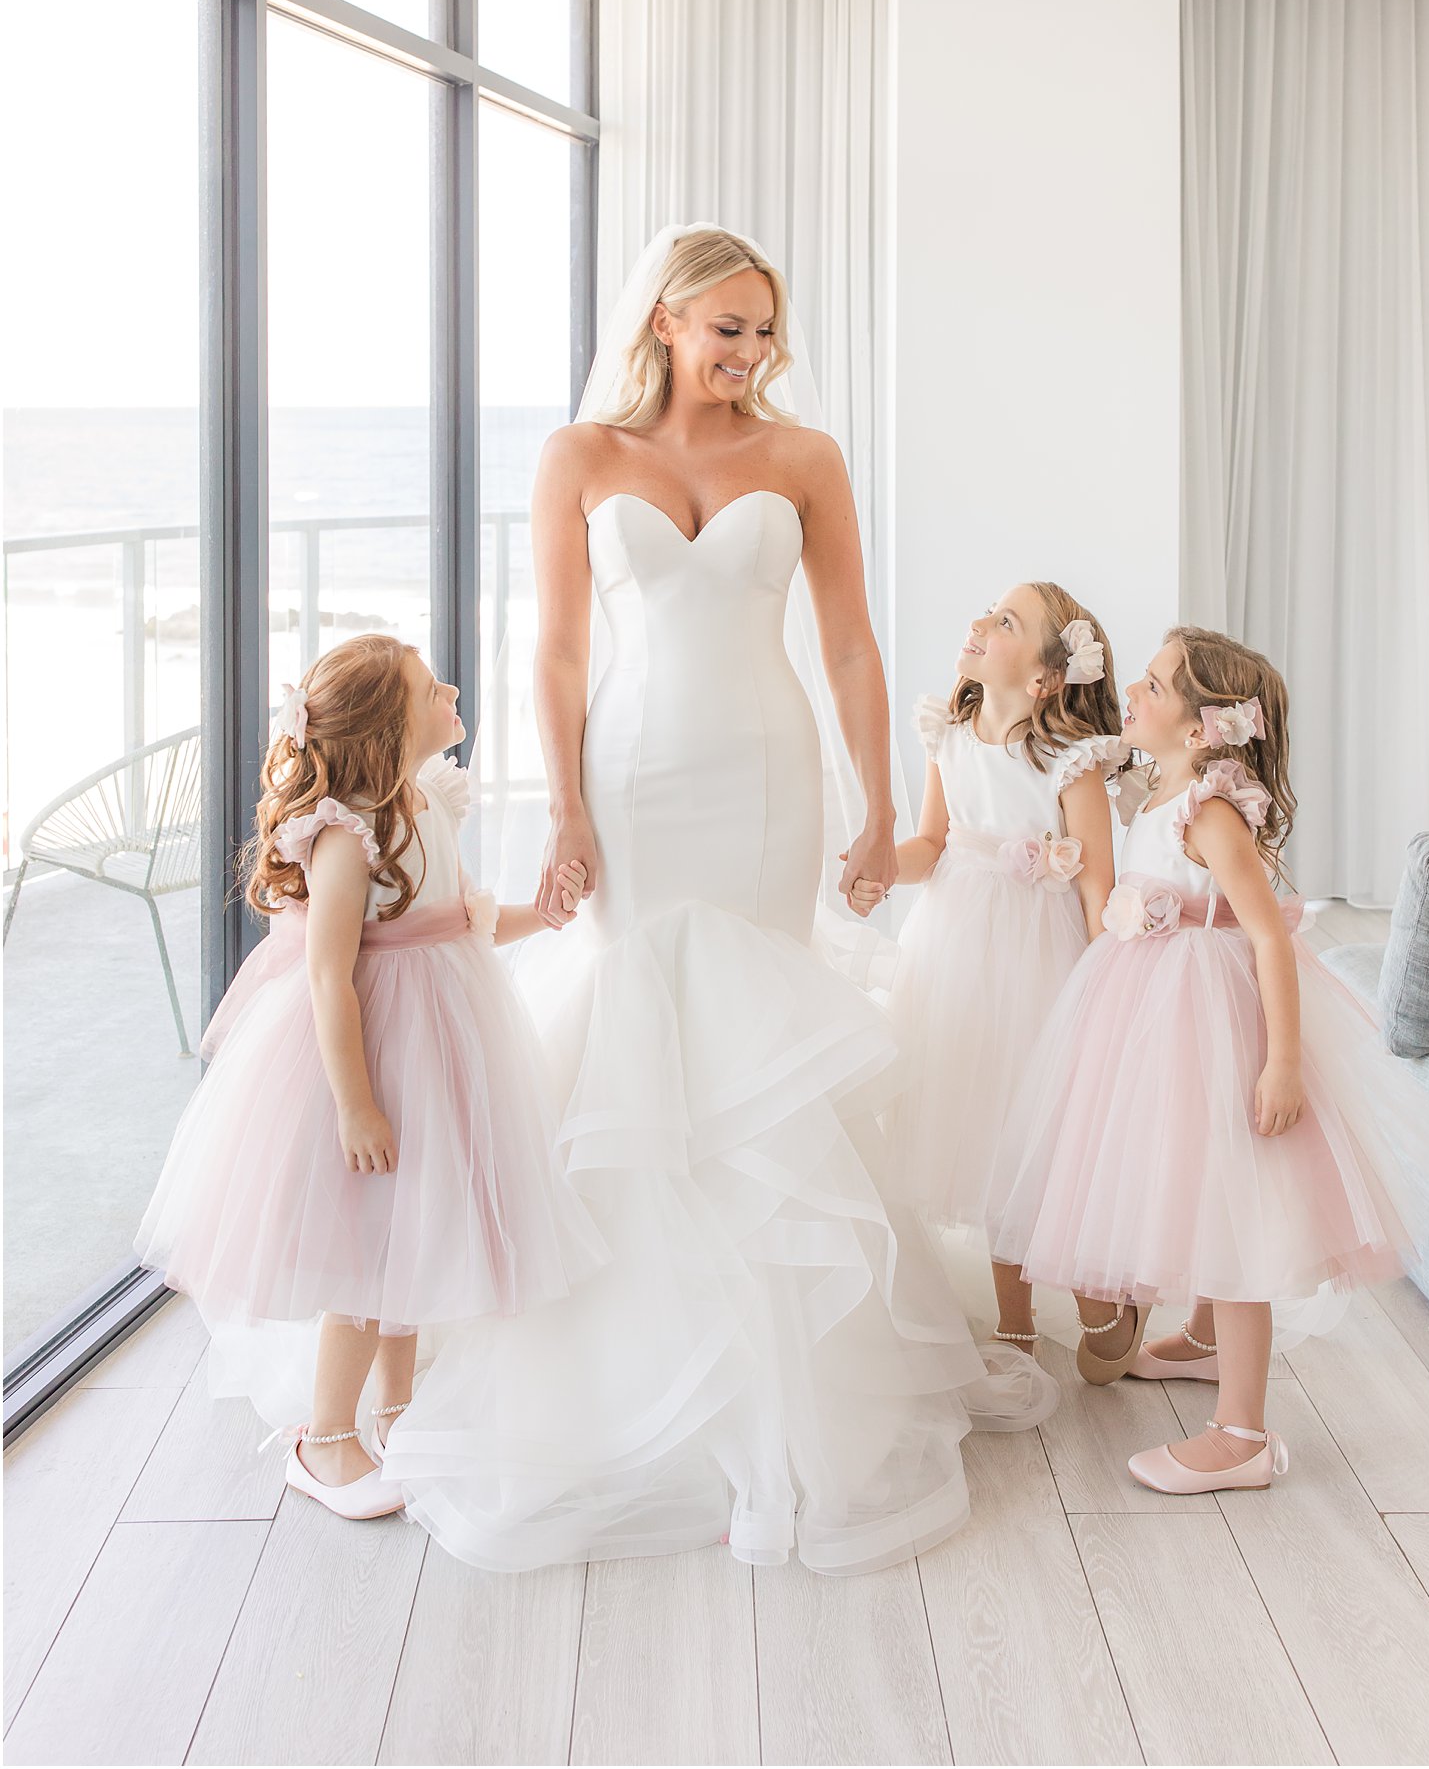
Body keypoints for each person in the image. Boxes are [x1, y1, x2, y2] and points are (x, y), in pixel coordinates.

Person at [386, 223, 1048, 1576]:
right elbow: (559, 649)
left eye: (762, 331)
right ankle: (636, 1370)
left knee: (759, 1034)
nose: (748, 355)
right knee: (640, 1018)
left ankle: (787, 1401)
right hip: (633, 772)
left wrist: (876, 797)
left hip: (764, 774)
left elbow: (853, 642)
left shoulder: (805, 460)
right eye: (725, 328)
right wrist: (563, 806)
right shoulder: (581, 459)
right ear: (666, 323)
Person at [990, 625, 1429, 1494]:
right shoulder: (1159, 791)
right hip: (1149, 1005)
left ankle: (1244, 1432)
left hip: (1209, 1010)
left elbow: (1268, 936)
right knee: (1193, 1175)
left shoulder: (1211, 813)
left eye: (1155, 686)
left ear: (1200, 732)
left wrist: (1283, 1063)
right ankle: (1200, 1337)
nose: (1137, 694)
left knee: (1232, 1200)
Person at [135, 634, 605, 1519]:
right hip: (374, 1053)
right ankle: (322, 1439)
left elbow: (460, 919)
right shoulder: (347, 833)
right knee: (367, 1255)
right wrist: (354, 1102)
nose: (453, 688)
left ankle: (399, 1407)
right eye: (433, 688)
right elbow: (327, 973)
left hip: (446, 1043)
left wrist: (543, 916)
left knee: (414, 1237)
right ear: (391, 728)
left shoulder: (430, 801)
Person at [856, 583, 1122, 1391]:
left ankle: (1101, 1297)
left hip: (1041, 956)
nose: (979, 622)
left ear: (1045, 678)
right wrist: (877, 867)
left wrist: (1112, 975)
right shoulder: (951, 734)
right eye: (987, 612)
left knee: (1047, 1129)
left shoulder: (1068, 761)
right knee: (989, 1129)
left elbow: (1097, 887)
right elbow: (932, 844)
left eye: (1006, 622)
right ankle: (1015, 1314)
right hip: (957, 951)